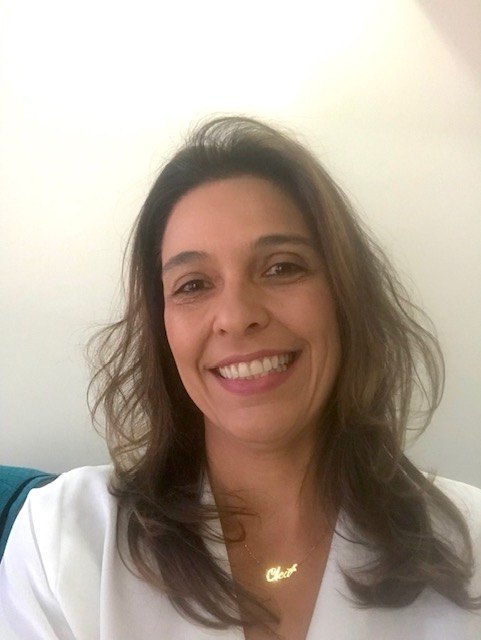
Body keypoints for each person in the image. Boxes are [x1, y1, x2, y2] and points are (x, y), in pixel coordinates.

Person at [0, 116, 480, 640]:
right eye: (193, 284)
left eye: (281, 267)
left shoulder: (472, 541)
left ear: (345, 296)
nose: (236, 316)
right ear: (163, 328)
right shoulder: (60, 539)